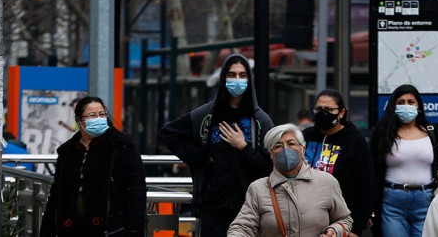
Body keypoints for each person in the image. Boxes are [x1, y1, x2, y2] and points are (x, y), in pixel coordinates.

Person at [158, 53, 274, 237]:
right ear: (223, 78)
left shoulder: (260, 120)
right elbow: (169, 133)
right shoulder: (206, 115)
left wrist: (244, 147)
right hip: (213, 206)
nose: (237, 80)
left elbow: (270, 165)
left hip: (249, 208)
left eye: (243, 76)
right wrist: (202, 157)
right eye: (232, 75)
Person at [40, 96, 146, 236]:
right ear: (79, 121)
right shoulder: (67, 151)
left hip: (111, 228)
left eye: (102, 114)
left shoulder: (121, 145)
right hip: (71, 228)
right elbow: (56, 193)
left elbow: (136, 189)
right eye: (92, 115)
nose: (99, 118)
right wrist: (47, 230)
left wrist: (134, 230)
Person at [228, 123, 353, 237]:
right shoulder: (258, 188)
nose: (286, 149)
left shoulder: (326, 182)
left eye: (291, 143)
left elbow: (344, 219)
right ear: (271, 154)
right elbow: (242, 227)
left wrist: (335, 230)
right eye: (278, 146)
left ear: (303, 150)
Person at [371, 84, 438, 237]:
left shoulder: (432, 132)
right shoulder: (383, 133)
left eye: (411, 102)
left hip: (426, 198)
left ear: (419, 106)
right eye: (401, 102)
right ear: (393, 107)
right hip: (392, 200)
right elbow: (372, 169)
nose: (406, 106)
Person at [302, 90, 375, 236]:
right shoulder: (306, 136)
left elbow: (367, 185)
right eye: (318, 109)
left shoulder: (355, 141)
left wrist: (356, 227)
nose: (323, 113)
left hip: (341, 223)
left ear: (341, 113)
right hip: (305, 220)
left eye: (329, 109)